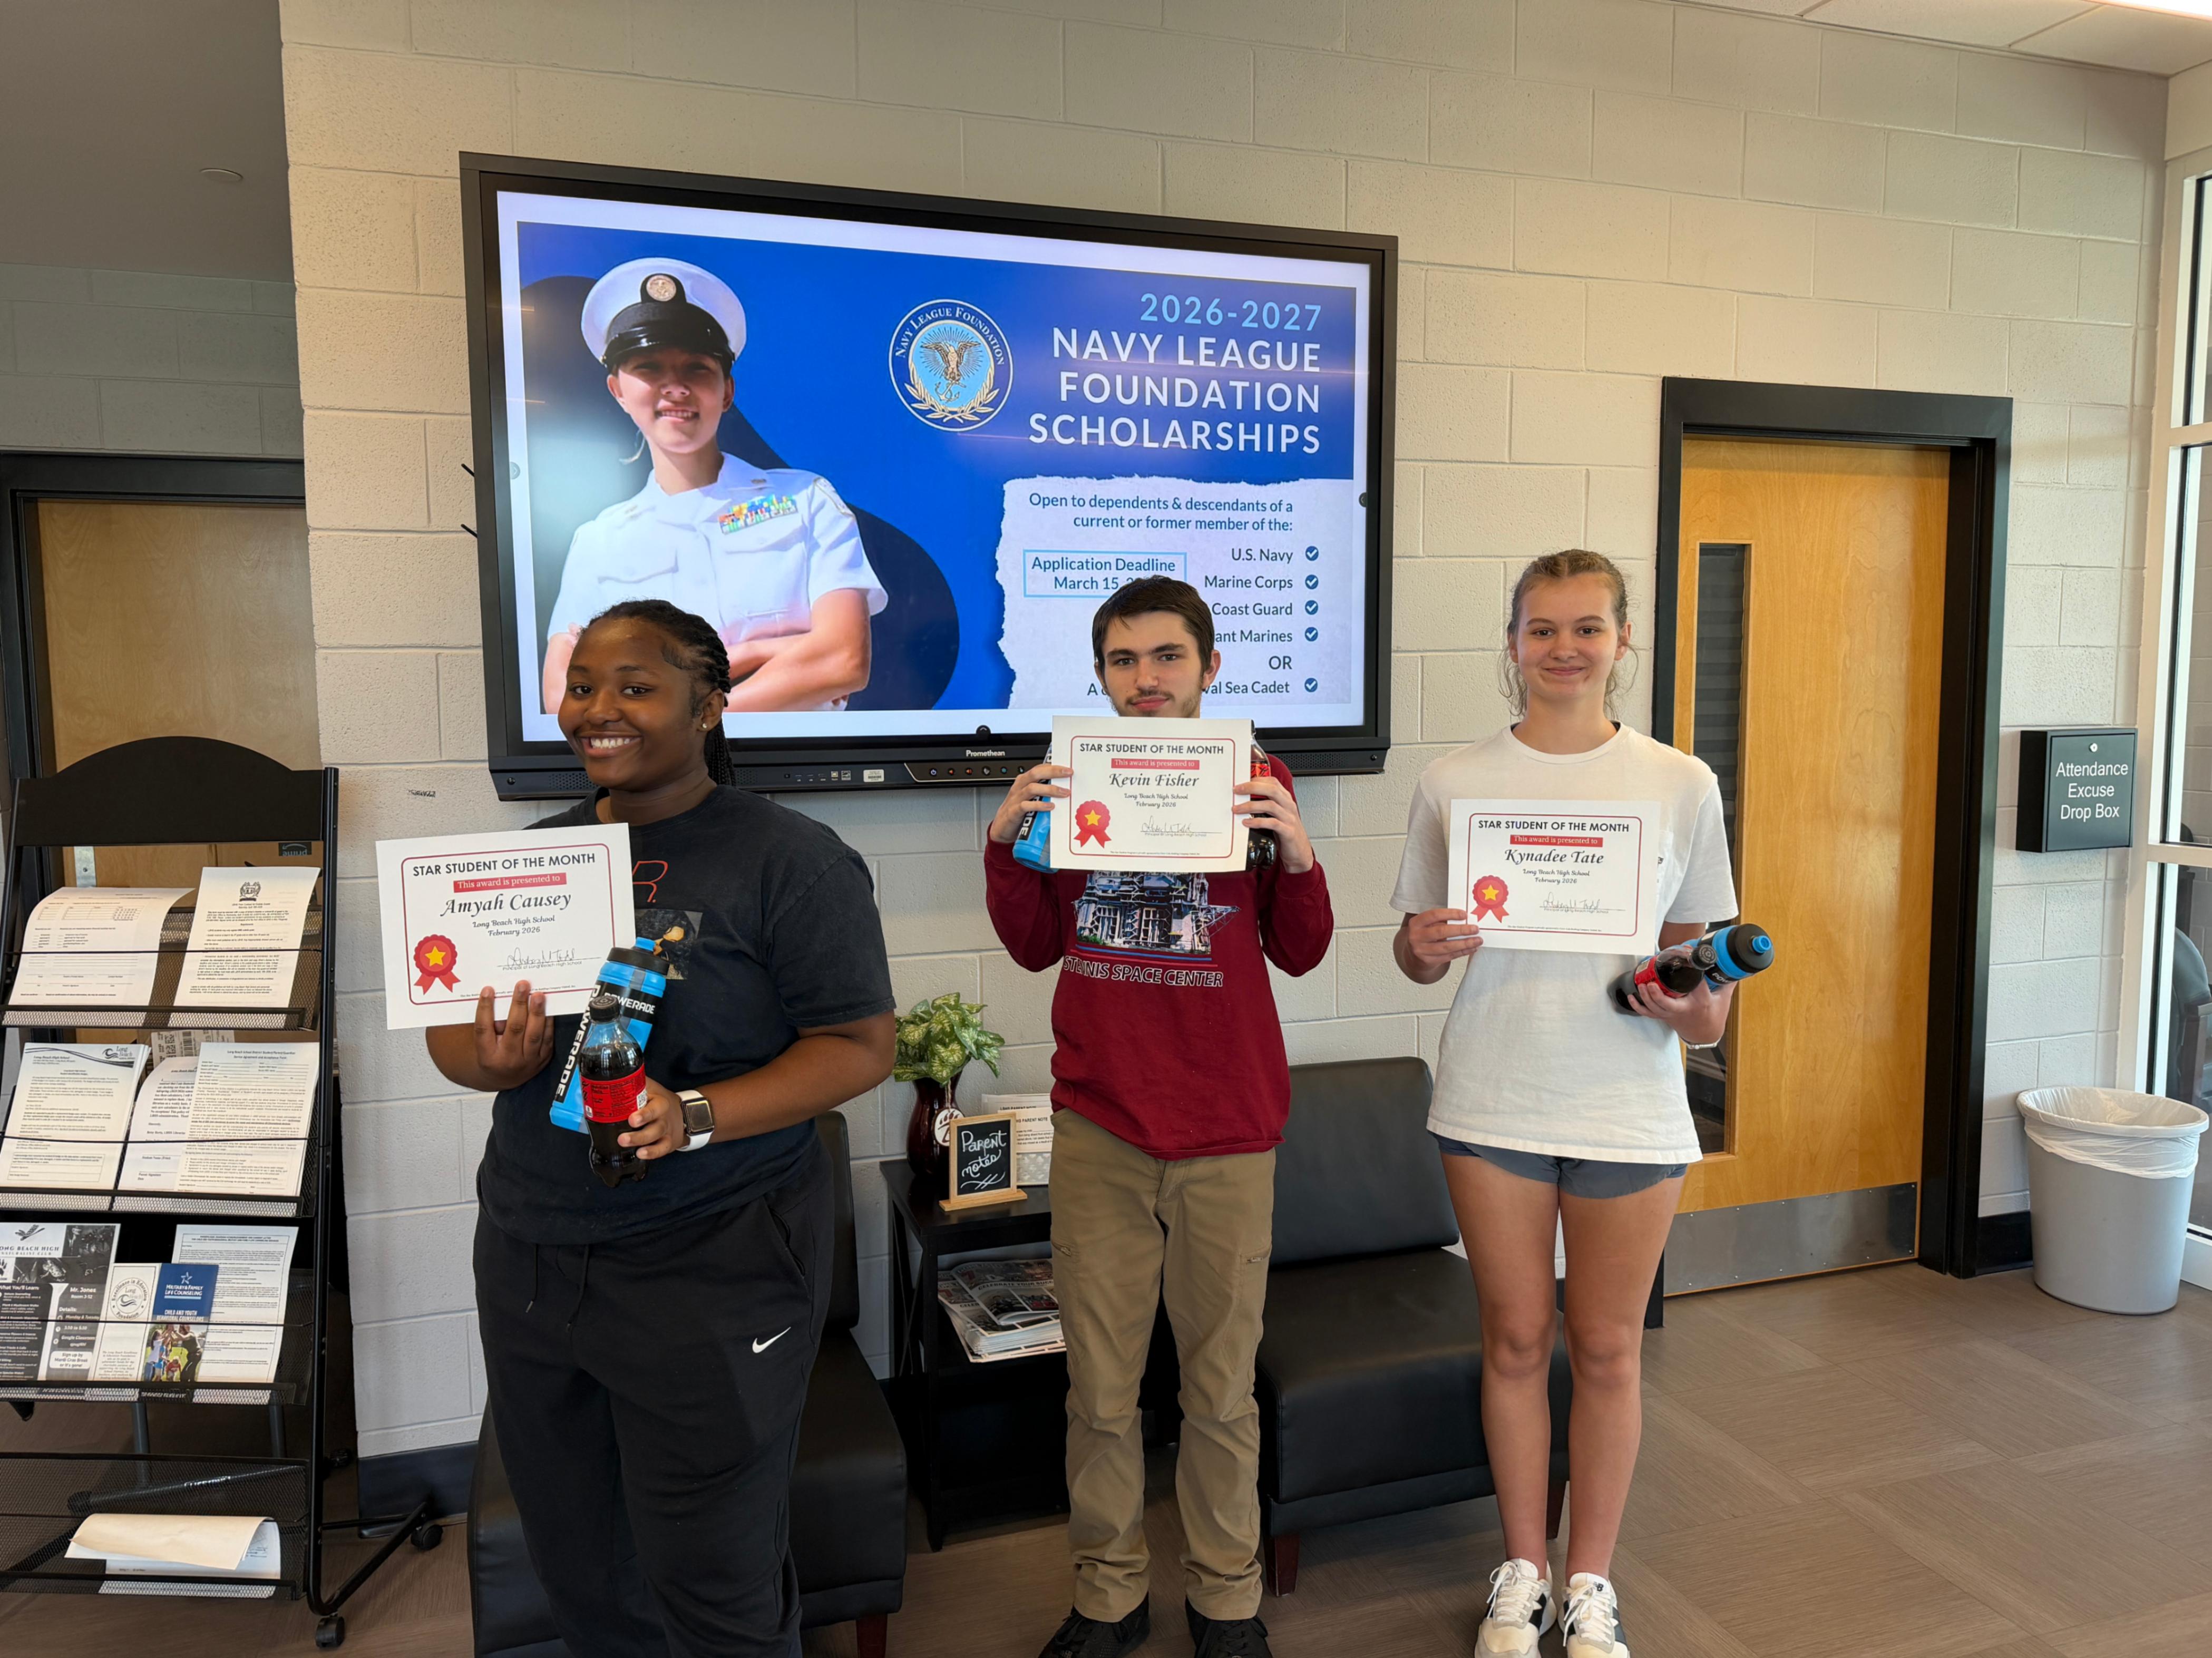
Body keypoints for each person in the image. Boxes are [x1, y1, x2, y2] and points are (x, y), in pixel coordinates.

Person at [432, 597, 897, 1657]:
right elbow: (453, 1042)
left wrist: (694, 1114)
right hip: (534, 1259)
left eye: (635, 685)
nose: (599, 708)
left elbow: (858, 1046)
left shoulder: (792, 859)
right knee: (583, 1569)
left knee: (712, 1579)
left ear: (711, 704)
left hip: (715, 1262)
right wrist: (488, 1059)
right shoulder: (524, 865)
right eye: (583, 685)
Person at [1389, 551, 1737, 1658]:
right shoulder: (1453, 781)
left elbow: (1706, 1000)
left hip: (1628, 1106)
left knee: (1605, 1352)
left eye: (1586, 628)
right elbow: (1414, 956)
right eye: (1541, 629)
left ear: (1621, 642)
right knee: (1512, 1339)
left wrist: (1688, 1009)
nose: (1563, 649)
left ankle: (1591, 1582)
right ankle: (1520, 1574)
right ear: (1510, 642)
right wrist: (1422, 943)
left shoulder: (1680, 783)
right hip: (1492, 1095)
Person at [984, 577, 1334, 1658]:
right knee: (1098, 1391)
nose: (1145, 681)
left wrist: (1298, 848)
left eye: (1167, 658)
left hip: (1227, 1127)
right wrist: (1005, 839)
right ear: (1098, 676)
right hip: (1101, 1127)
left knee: (1220, 1390)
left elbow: (1302, 949)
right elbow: (1035, 945)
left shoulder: (1258, 781)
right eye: (1124, 662)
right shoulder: (1062, 783)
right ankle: (1109, 1595)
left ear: (1209, 669)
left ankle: (1226, 1598)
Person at [539, 258, 888, 716]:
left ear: (726, 392)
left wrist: (688, 711)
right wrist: (774, 655)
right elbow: (565, 695)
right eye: (648, 367)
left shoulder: (806, 501)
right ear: (618, 392)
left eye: (696, 369)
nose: (675, 388)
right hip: (665, 786)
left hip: (800, 775)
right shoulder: (598, 541)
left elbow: (844, 660)